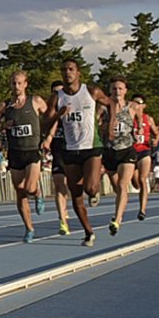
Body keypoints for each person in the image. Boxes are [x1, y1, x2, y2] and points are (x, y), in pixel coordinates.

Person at [46, 60, 111, 247]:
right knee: (75, 195)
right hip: (71, 149)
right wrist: (59, 114)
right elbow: (45, 123)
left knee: (89, 188)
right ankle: (88, 232)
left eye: (71, 69)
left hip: (91, 146)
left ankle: (95, 187)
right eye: (64, 70)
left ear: (78, 73)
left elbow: (111, 103)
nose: (67, 73)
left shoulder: (91, 92)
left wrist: (111, 123)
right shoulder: (57, 97)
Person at [0, 71, 48, 244]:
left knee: (29, 187)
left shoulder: (35, 101)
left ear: (25, 84)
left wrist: (49, 136)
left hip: (32, 150)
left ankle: (38, 193)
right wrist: (3, 125)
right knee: (20, 192)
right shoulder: (5, 106)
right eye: (13, 83)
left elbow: (50, 118)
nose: (16, 87)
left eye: (19, 83)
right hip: (15, 152)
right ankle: (29, 228)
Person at [100, 78, 143, 237]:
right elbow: (96, 123)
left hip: (127, 150)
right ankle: (118, 212)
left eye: (120, 89)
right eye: (114, 89)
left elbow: (139, 122)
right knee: (117, 186)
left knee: (123, 185)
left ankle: (117, 220)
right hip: (110, 150)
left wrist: (139, 131)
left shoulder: (133, 107)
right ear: (110, 91)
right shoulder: (103, 107)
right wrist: (102, 127)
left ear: (125, 91)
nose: (117, 92)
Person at [42, 80, 72, 235]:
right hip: (58, 150)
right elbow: (45, 124)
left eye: (60, 92)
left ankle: (92, 192)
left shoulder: (73, 105)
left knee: (75, 185)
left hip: (74, 149)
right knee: (59, 184)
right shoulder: (49, 110)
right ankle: (63, 221)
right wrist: (47, 138)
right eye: (55, 92)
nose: (58, 95)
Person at [130, 93, 159, 220]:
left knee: (142, 179)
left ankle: (142, 210)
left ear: (144, 105)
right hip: (131, 152)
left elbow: (156, 134)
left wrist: (155, 141)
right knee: (135, 182)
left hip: (144, 151)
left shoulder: (149, 119)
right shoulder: (129, 119)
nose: (136, 105)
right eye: (134, 102)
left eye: (139, 103)